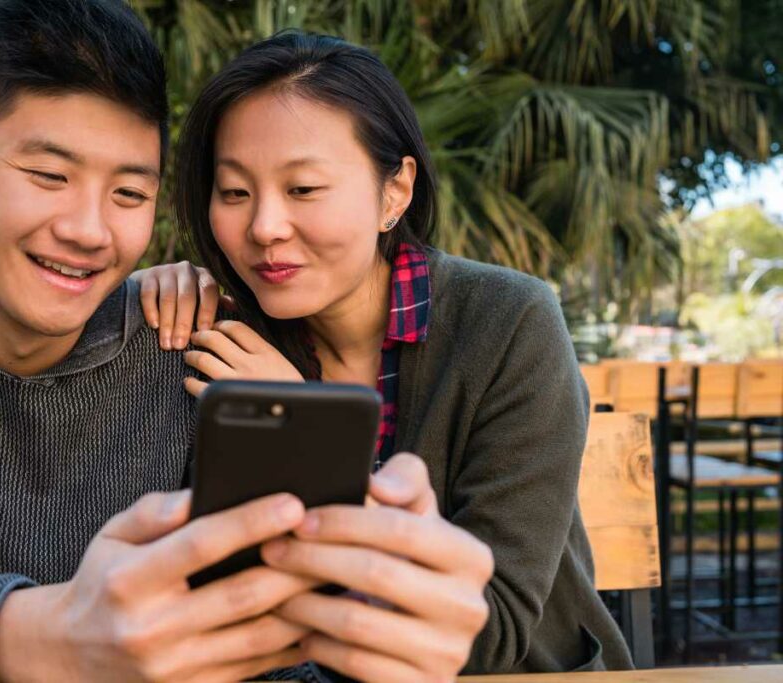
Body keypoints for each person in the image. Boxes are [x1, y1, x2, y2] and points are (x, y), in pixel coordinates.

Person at [0, 3, 491, 682]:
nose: (89, 229)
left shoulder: (201, 353)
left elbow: (269, 653)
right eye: (48, 175)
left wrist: (372, 623)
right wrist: (43, 633)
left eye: (130, 194)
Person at [139, 30, 634, 677]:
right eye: (234, 192)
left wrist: (305, 424)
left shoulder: (510, 323)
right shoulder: (229, 340)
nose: (263, 226)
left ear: (394, 192)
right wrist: (137, 298)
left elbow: (490, 630)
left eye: (304, 188)